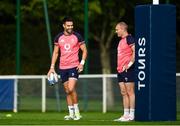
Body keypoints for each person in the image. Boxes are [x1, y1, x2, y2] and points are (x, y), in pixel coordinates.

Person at [47, 16, 87, 120]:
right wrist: (52, 67)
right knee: (67, 91)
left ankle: (77, 113)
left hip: (74, 66)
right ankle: (71, 114)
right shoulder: (58, 37)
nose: (70, 27)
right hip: (62, 67)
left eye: (71, 25)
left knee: (71, 88)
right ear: (64, 25)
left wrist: (82, 63)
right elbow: (55, 53)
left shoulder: (77, 36)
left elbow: (85, 51)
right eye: (68, 25)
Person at [114, 22, 135, 122]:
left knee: (130, 92)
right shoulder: (121, 41)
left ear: (122, 29)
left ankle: (132, 115)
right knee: (123, 92)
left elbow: (136, 51)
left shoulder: (129, 38)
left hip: (128, 70)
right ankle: (125, 115)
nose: (116, 31)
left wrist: (129, 64)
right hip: (120, 70)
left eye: (117, 29)